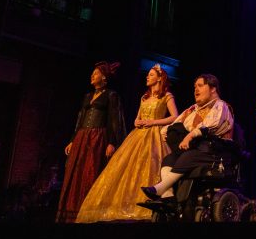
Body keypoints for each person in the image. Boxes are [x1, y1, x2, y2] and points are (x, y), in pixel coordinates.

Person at [75, 64, 178, 222]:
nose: (147, 77)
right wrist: (137, 121)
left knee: (150, 165)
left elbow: (174, 117)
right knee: (128, 168)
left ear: (159, 78)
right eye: (148, 75)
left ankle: (148, 204)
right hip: (137, 136)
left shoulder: (167, 96)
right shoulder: (144, 97)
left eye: (151, 75)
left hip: (155, 135)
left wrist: (153, 122)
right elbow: (138, 116)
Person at [140, 74, 234, 201]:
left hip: (214, 150)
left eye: (200, 86)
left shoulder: (221, 105)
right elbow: (171, 127)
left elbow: (212, 125)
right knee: (170, 157)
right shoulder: (192, 110)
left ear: (213, 89)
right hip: (195, 148)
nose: (196, 90)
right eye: (195, 87)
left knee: (187, 155)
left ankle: (160, 188)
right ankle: (168, 195)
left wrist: (190, 135)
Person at [55, 60, 126, 223]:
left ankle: (87, 213)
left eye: (96, 74)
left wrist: (112, 142)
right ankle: (70, 213)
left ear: (104, 78)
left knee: (90, 172)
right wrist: (73, 140)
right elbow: (80, 120)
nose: (92, 76)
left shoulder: (111, 95)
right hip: (82, 138)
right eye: (92, 74)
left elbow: (114, 120)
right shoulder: (87, 96)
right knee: (75, 173)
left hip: (97, 139)